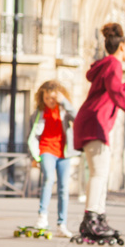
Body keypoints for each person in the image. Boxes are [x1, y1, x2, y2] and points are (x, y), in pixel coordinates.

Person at [72, 22, 125, 243]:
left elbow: (121, 89)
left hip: (91, 122)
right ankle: (92, 220)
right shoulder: (114, 64)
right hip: (95, 123)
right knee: (99, 172)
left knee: (100, 172)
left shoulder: (107, 65)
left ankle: (98, 217)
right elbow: (117, 93)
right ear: (123, 46)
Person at [26, 81, 78, 237]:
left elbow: (77, 118)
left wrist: (65, 102)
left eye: (53, 98)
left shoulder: (64, 111)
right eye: (46, 98)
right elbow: (31, 136)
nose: (49, 101)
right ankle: (42, 217)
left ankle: (62, 224)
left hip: (64, 153)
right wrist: (33, 157)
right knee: (48, 178)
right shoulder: (38, 114)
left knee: (63, 188)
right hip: (46, 150)